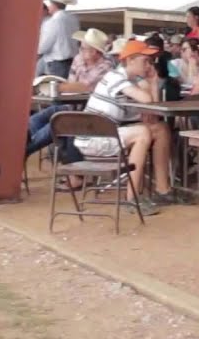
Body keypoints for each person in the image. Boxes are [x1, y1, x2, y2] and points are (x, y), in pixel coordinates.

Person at [74, 39, 179, 215]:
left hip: (103, 136)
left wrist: (151, 83)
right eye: (145, 60)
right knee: (142, 132)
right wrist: (152, 81)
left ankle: (163, 190)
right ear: (130, 60)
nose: (149, 65)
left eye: (150, 61)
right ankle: (132, 198)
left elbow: (152, 114)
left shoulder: (129, 83)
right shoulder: (116, 77)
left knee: (160, 129)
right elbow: (147, 101)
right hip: (94, 140)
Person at [37, 0, 80, 78]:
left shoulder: (53, 21)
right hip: (73, 60)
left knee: (56, 88)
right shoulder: (73, 19)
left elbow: (43, 47)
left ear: (53, 4)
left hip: (58, 63)